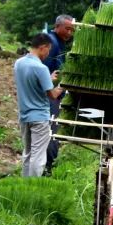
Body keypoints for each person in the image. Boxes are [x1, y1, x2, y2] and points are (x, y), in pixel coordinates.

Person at [14, 34, 63, 177]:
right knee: (38, 156)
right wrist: (64, 84)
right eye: (48, 50)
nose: (48, 54)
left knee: (28, 153)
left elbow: (32, 83)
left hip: (24, 116)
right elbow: (53, 94)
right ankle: (34, 185)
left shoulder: (19, 63)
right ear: (43, 48)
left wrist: (48, 78)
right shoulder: (40, 68)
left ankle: (26, 185)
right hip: (39, 117)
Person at [41, 14, 75, 173]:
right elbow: (43, 70)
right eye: (67, 29)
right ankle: (47, 169)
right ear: (57, 26)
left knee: (51, 133)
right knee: (51, 134)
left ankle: (46, 167)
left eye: (72, 30)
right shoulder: (52, 42)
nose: (70, 32)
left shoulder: (58, 43)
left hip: (52, 95)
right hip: (49, 96)